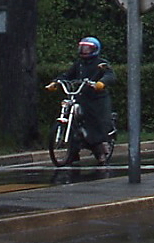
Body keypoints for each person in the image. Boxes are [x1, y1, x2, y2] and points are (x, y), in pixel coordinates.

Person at [47, 36, 116, 164]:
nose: (84, 51)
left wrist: (101, 83)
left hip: (96, 99)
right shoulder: (78, 64)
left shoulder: (101, 63)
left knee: (95, 121)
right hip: (81, 96)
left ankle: (100, 150)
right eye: (82, 48)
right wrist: (56, 82)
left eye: (88, 49)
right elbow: (67, 75)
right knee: (74, 118)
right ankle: (73, 151)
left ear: (95, 50)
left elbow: (110, 75)